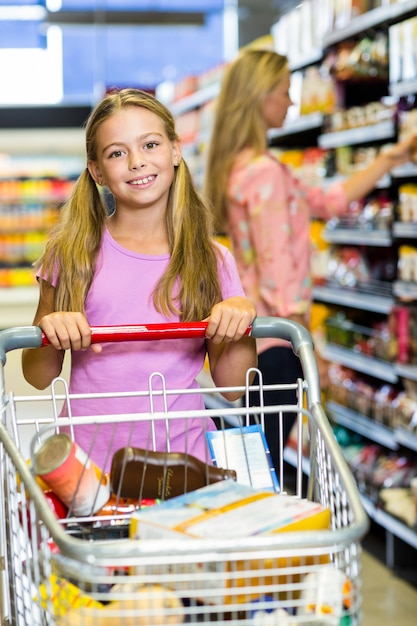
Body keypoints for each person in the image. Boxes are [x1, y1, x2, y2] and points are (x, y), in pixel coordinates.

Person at [22, 88, 257, 472]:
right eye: (117, 152)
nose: (137, 162)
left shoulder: (212, 260)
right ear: (96, 170)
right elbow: (36, 375)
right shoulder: (72, 254)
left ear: (176, 150)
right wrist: (51, 331)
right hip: (89, 470)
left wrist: (239, 317)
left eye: (150, 144)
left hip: (183, 466)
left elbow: (233, 387)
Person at [203, 48, 417, 469]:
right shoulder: (264, 173)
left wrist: (394, 156)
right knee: (264, 464)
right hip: (277, 343)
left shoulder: (242, 168)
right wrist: (304, 341)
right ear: (260, 96)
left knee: (257, 455)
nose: (292, 102)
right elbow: (277, 269)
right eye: (284, 91)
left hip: (252, 340)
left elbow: (327, 200)